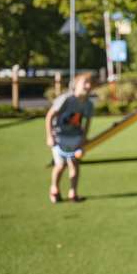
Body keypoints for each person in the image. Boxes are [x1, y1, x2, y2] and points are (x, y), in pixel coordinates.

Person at [45, 72, 94, 203]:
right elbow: (50, 116)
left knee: (74, 164)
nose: (88, 86)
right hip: (60, 137)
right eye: (85, 83)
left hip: (75, 137)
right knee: (60, 165)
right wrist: (50, 136)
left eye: (90, 83)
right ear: (76, 85)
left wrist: (84, 138)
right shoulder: (66, 99)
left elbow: (87, 122)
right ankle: (54, 188)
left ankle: (73, 192)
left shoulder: (88, 104)